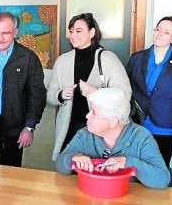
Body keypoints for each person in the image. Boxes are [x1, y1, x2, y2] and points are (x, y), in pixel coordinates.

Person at [47, 13, 131, 162]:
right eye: (71, 31)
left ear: (92, 33)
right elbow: (50, 95)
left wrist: (95, 92)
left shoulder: (108, 59)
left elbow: (124, 95)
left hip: (101, 130)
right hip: (69, 129)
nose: (73, 35)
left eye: (78, 31)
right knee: (68, 171)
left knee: (97, 171)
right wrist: (60, 95)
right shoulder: (62, 61)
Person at [0, 11, 46, 167]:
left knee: (10, 173)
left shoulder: (28, 58)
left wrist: (29, 127)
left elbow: (37, 96)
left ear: (15, 32)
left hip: (13, 128)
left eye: (5, 33)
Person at [55, 87, 170, 189]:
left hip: (127, 204)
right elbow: (59, 165)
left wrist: (130, 163)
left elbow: (162, 180)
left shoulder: (142, 137)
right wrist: (73, 158)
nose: (87, 116)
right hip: (91, 198)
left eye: (93, 113)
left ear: (113, 122)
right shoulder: (85, 134)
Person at [127, 16, 172, 168]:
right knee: (136, 166)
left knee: (160, 168)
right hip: (138, 122)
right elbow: (126, 88)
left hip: (165, 125)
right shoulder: (137, 58)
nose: (159, 34)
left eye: (166, 32)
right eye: (158, 29)